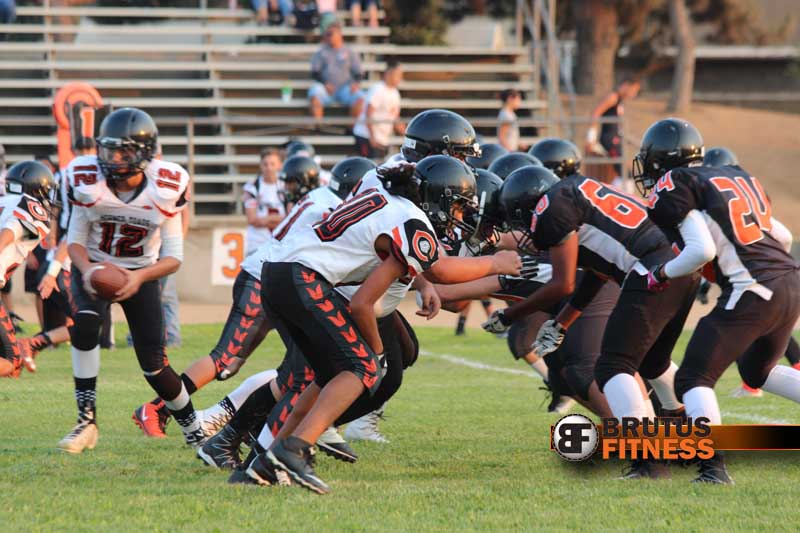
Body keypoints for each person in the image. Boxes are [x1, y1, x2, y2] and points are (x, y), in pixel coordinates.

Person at [250, 155, 520, 494]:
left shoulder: (388, 201)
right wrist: (495, 263)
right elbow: (440, 271)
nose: (459, 216)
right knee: (362, 368)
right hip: (303, 276)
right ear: (439, 197)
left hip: (277, 273)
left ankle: (268, 460)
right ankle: (296, 450)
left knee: (329, 374)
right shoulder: (411, 218)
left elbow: (372, 294)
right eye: (457, 206)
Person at [482, 164, 699, 480]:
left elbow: (562, 284)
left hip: (652, 269)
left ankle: (648, 461)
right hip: (681, 265)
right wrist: (562, 322)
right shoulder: (577, 193)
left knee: (613, 367)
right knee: (654, 363)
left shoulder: (551, 207)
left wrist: (508, 316)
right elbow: (598, 272)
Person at [636, 118, 800, 484]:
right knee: (757, 371)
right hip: (790, 281)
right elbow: (784, 235)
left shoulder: (676, 185)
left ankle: (713, 468)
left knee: (693, 377)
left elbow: (701, 250)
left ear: (660, 159)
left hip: (753, 289)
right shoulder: (731, 176)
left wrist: (661, 273)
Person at [131, 155, 320, 440]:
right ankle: (157, 408)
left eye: (292, 182)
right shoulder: (322, 203)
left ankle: (249, 423)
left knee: (289, 365)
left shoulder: (318, 202)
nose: (287, 187)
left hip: (283, 280)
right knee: (226, 359)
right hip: (265, 279)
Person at [57, 108, 202, 453]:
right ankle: (86, 422)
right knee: (85, 325)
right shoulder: (86, 179)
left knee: (155, 367)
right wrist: (88, 270)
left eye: (123, 151)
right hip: (95, 267)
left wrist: (138, 278)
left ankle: (196, 430)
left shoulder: (166, 187)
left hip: (142, 272)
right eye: (108, 150)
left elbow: (173, 257)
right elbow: (74, 241)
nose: (113, 159)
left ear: (144, 153)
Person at [0, 161, 58, 378]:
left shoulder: (4, 201)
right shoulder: (33, 207)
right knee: (10, 363)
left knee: (11, 364)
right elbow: (12, 229)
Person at [585, 77, 641, 185]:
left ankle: (618, 191)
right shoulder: (613, 97)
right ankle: (616, 193)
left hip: (616, 139)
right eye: (634, 90)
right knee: (625, 173)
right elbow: (596, 113)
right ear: (626, 85)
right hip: (609, 139)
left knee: (625, 172)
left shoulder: (620, 101)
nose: (634, 94)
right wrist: (591, 137)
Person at [308, 18, 364, 123]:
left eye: (330, 34)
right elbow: (315, 73)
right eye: (327, 34)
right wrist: (325, 84)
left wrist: (355, 83)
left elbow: (358, 73)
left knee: (360, 98)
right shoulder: (321, 51)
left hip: (345, 88)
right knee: (315, 92)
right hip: (327, 89)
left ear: (339, 34)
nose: (328, 36)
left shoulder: (349, 51)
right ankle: (318, 127)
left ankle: (352, 129)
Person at [353, 61, 404, 160]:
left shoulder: (395, 93)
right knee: (369, 165)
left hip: (381, 139)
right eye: (398, 75)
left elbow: (395, 117)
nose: (400, 78)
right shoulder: (378, 89)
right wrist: (372, 137)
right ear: (389, 74)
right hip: (366, 136)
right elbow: (368, 114)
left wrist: (407, 135)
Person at [243, 148, 286, 256]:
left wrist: (265, 219)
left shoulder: (286, 186)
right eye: (265, 164)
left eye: (272, 164)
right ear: (260, 165)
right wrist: (281, 219)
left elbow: (292, 218)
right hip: (257, 245)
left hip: (282, 245)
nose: (269, 168)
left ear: (280, 165)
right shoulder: (252, 187)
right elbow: (252, 219)